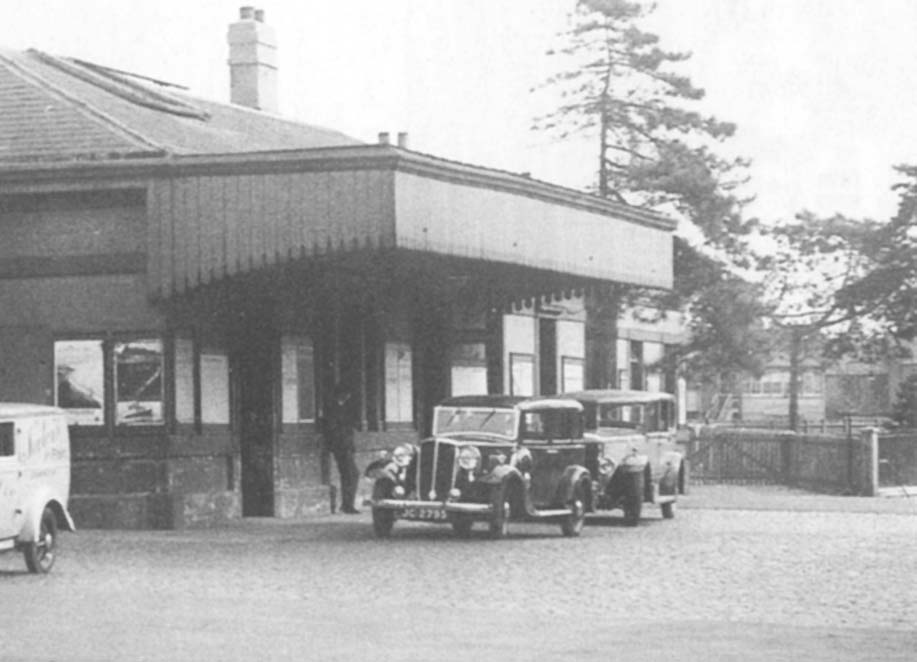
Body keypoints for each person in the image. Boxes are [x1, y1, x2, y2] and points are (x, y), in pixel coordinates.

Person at [321, 383, 360, 514]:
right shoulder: (332, 408)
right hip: (341, 446)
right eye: (346, 394)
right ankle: (347, 505)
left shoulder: (345, 407)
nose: (348, 396)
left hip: (347, 445)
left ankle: (348, 504)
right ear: (341, 394)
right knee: (351, 474)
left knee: (350, 474)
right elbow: (332, 428)